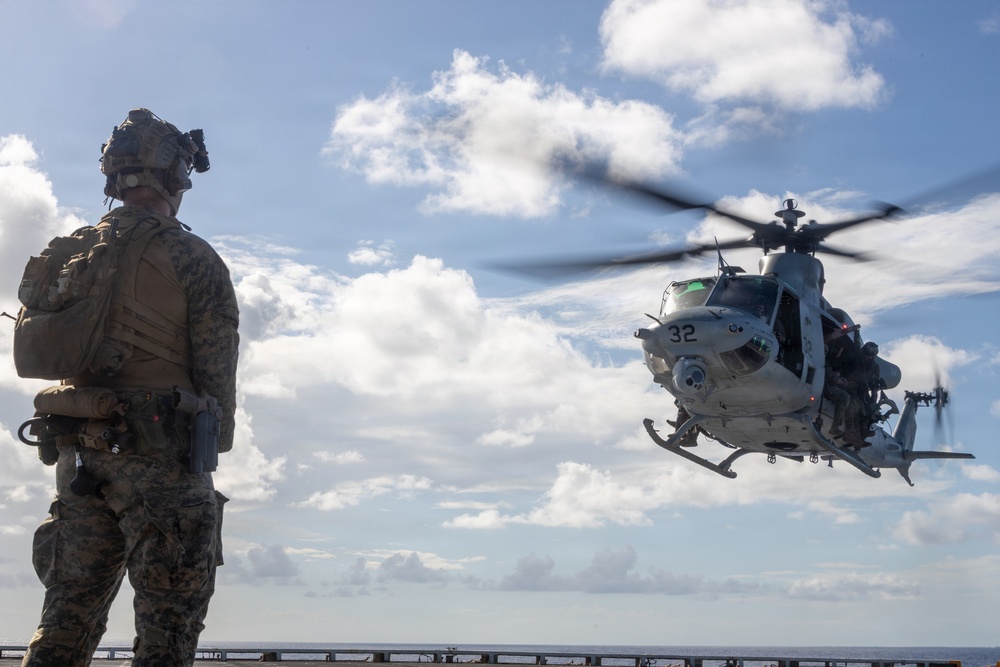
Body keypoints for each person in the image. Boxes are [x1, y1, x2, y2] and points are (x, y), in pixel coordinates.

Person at [20, 109, 239, 667]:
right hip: (162, 455)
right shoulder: (192, 256)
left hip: (78, 456)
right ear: (173, 177)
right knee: (169, 625)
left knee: (66, 616)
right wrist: (217, 438)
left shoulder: (72, 251)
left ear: (114, 178)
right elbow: (216, 362)